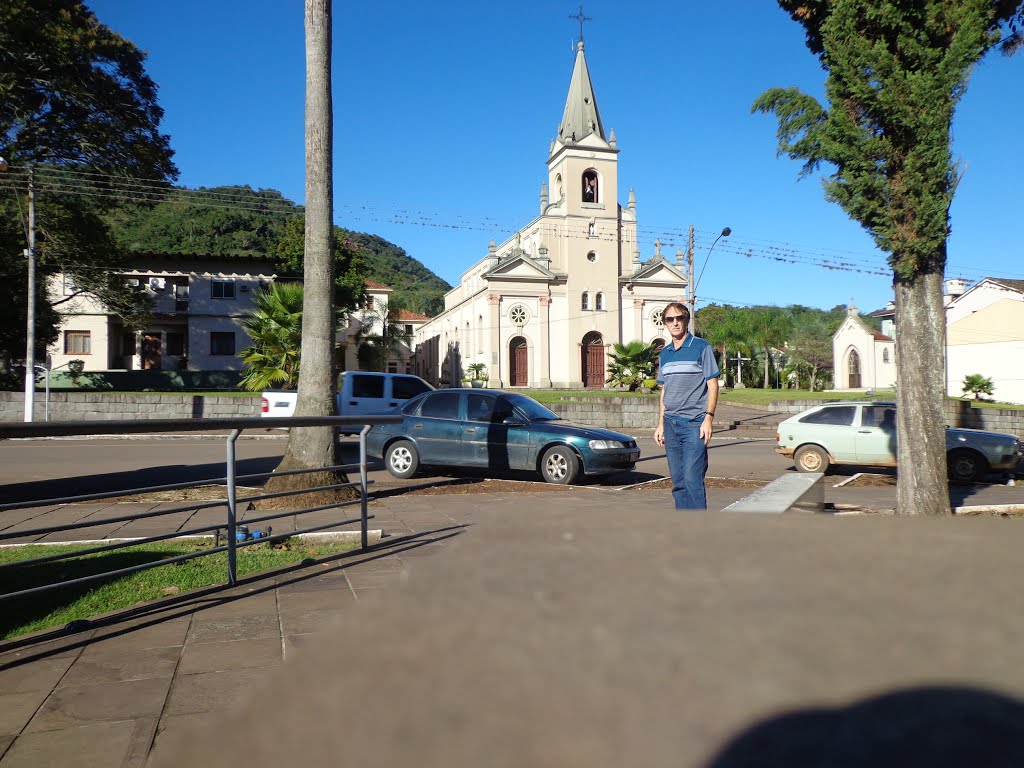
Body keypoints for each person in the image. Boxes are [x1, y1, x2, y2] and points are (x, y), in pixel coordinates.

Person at [654, 302, 720, 510]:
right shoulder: (665, 354)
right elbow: (664, 390)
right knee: (678, 483)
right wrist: (660, 424)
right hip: (671, 424)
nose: (675, 323)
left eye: (679, 318)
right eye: (669, 319)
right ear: (665, 323)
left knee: (693, 481)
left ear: (687, 320)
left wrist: (708, 417)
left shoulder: (701, 347)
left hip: (694, 424)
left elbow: (712, 384)